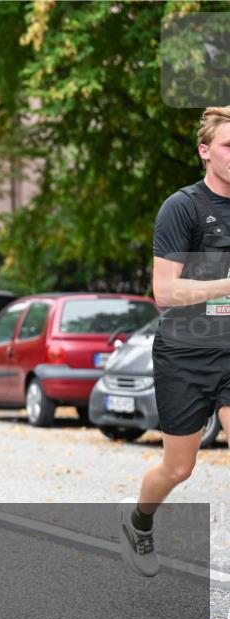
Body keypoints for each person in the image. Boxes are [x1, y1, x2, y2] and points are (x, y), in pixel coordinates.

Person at [120, 106, 230, 577]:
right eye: (229, 145)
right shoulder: (183, 207)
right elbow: (165, 293)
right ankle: (138, 520)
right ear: (205, 152)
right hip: (185, 354)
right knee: (178, 468)